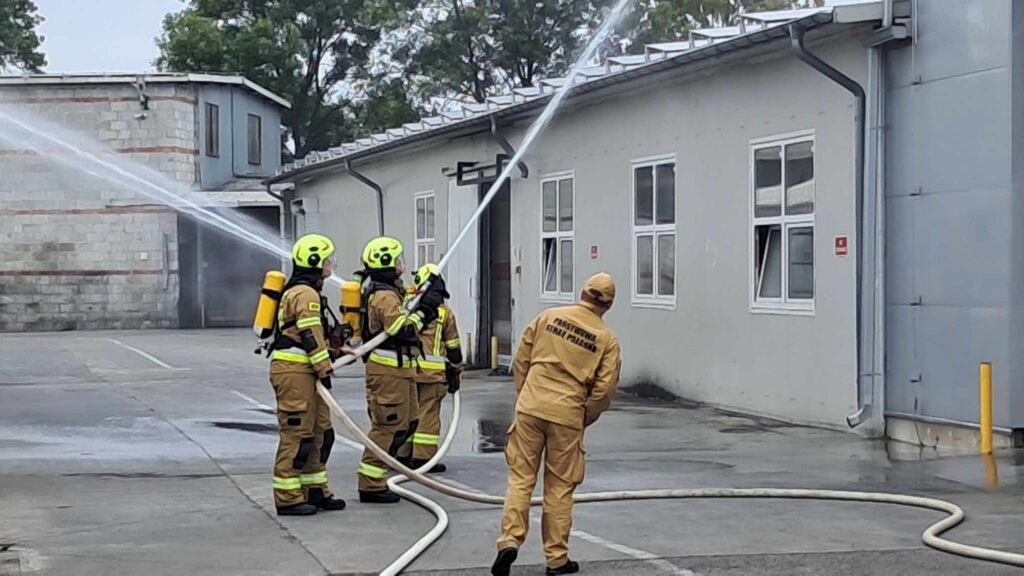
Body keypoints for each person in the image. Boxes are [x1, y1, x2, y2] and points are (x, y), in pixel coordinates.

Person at [492, 273, 621, 576]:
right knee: (560, 488)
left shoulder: (548, 316)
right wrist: (584, 415)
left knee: (521, 479)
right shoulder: (606, 339)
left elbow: (522, 359)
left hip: (531, 406)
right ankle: (557, 559)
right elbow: (605, 389)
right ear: (609, 305)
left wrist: (526, 396)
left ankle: (509, 541)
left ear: (582, 293)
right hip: (568, 414)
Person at [356, 237, 446, 503]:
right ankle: (370, 484)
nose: (401, 263)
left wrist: (428, 295)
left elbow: (407, 306)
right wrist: (427, 309)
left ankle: (379, 475)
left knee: (407, 424)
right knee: (388, 425)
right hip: (388, 371)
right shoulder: (383, 295)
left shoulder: (391, 290)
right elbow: (403, 329)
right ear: (386, 262)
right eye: (397, 259)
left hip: (402, 369)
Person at [269, 234, 347, 516]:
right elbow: (309, 333)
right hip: (295, 372)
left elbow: (313, 337)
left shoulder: (307, 292)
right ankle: (288, 497)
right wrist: (324, 364)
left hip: (306, 370)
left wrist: (336, 352)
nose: (330, 264)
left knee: (321, 432)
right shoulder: (305, 294)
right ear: (315, 262)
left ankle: (315, 489)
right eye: (327, 259)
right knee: (298, 434)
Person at [405, 263, 464, 473]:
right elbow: (453, 346)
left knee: (408, 414)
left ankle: (402, 455)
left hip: (407, 371)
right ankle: (422, 458)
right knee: (427, 417)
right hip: (433, 374)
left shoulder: (407, 308)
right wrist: (456, 369)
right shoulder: (444, 313)